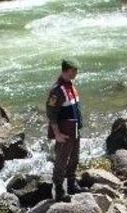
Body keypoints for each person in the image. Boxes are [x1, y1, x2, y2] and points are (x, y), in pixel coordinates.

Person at [46, 58, 86, 202]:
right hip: (64, 132)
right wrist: (57, 133)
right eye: (74, 70)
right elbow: (51, 113)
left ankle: (71, 184)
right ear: (66, 70)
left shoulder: (70, 86)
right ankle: (59, 191)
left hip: (74, 129)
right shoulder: (57, 91)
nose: (76, 73)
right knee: (61, 160)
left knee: (75, 157)